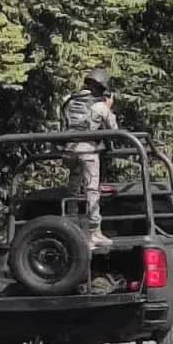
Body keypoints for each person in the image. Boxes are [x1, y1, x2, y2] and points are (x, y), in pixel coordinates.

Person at [60, 68, 119, 250]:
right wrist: (108, 108)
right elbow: (114, 129)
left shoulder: (67, 100)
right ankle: (93, 232)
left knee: (73, 189)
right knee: (92, 190)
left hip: (68, 151)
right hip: (88, 152)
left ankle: (70, 226)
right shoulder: (99, 106)